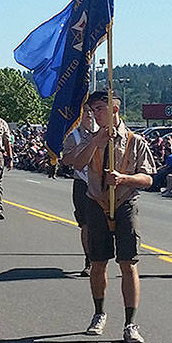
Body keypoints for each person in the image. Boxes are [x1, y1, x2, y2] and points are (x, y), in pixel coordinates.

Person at [61, 90, 155, 343]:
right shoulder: (90, 139)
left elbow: (147, 178)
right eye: (93, 110)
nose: (96, 114)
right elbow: (77, 164)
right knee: (98, 262)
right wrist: (95, 144)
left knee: (128, 263)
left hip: (125, 203)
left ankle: (130, 323)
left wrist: (125, 179)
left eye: (101, 108)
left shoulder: (135, 141)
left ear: (114, 109)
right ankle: (99, 313)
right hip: (96, 202)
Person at [65, 105, 98, 276]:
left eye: (92, 112)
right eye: (86, 113)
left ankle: (101, 257)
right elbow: (66, 160)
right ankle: (89, 260)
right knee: (86, 224)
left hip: (100, 182)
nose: (89, 116)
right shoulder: (74, 136)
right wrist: (80, 149)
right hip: (82, 183)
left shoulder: (103, 134)